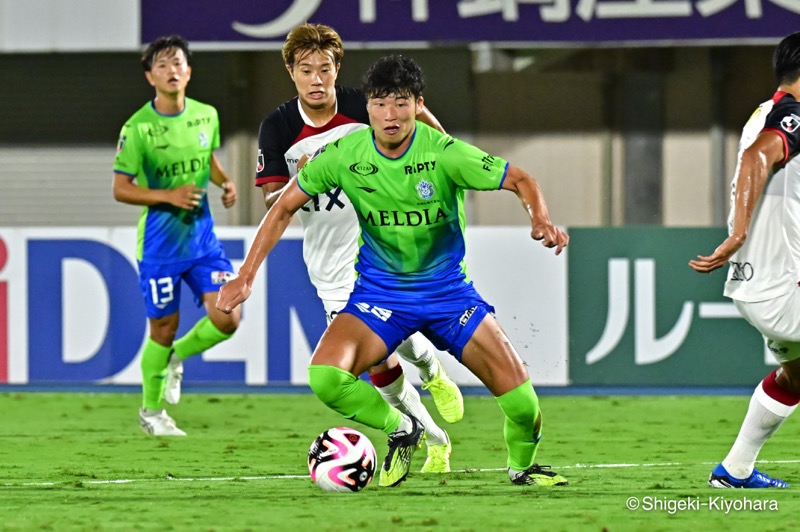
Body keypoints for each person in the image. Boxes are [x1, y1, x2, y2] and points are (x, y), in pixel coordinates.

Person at [219, 54, 569, 488]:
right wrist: (246, 275)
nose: (390, 115)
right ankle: (403, 428)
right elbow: (283, 206)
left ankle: (522, 468)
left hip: (448, 296)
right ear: (366, 108)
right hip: (380, 295)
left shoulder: (443, 153)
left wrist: (540, 219)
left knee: (523, 407)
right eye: (381, 104)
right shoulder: (344, 154)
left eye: (401, 103)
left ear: (417, 105)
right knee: (325, 378)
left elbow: (520, 179)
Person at [255, 23, 462, 474]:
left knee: (399, 341)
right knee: (381, 367)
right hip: (327, 266)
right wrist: (300, 180)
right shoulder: (278, 128)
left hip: (380, 249)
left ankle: (433, 374)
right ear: (291, 72)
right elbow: (274, 201)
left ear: (336, 69)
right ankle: (434, 439)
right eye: (306, 70)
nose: (316, 79)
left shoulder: (363, 105)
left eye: (324, 69)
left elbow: (426, 130)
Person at [687, 32, 800, 489]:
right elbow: (758, 157)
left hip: (757, 283)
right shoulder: (792, 115)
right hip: (784, 285)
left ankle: (733, 471)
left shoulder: (763, 111)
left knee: (794, 380)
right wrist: (737, 232)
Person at [113, 35, 241, 437]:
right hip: (160, 247)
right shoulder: (137, 128)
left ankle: (175, 358)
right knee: (163, 329)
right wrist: (167, 195)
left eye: (179, 63)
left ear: (189, 71)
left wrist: (225, 182)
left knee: (228, 317)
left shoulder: (206, 115)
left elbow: (207, 159)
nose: (172, 71)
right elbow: (121, 187)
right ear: (151, 76)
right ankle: (152, 414)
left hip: (203, 242)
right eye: (163, 65)